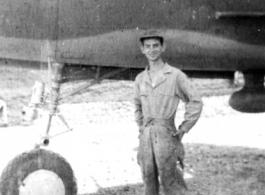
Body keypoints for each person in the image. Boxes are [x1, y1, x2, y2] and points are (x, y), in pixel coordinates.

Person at [134, 30, 203, 195]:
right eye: (148, 46)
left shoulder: (175, 76)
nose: (152, 50)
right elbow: (137, 106)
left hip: (167, 135)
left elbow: (195, 101)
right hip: (145, 136)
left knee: (170, 183)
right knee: (148, 182)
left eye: (156, 46)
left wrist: (184, 128)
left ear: (163, 47)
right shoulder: (140, 79)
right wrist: (142, 128)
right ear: (142, 49)